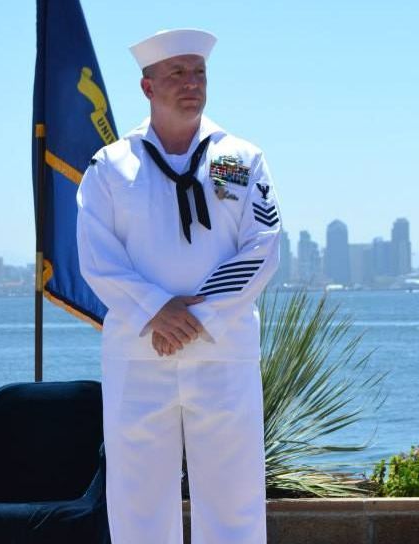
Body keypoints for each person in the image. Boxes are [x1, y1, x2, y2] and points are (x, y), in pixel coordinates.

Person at [76, 28, 281, 544]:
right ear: (147, 88)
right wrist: (156, 310)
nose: (191, 84)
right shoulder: (110, 168)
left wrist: (198, 318)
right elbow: (97, 259)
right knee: (138, 504)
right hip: (139, 354)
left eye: (199, 73)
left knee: (234, 501)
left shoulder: (238, 158)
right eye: (177, 74)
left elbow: (263, 246)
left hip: (222, 352)